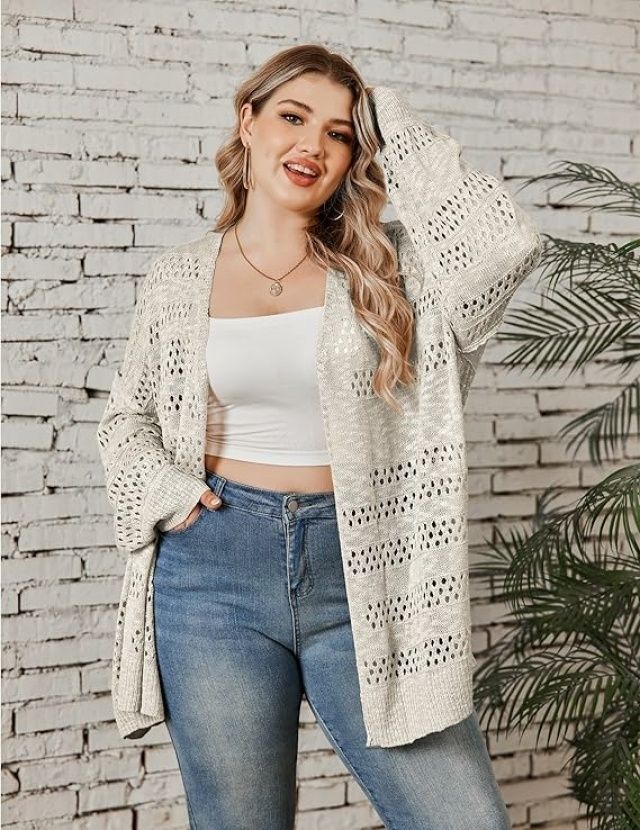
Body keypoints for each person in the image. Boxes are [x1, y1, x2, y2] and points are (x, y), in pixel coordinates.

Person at [97, 43, 542, 829]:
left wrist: (387, 116)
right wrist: (175, 498)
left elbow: (504, 250)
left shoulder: (396, 268)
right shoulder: (177, 276)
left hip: (367, 568)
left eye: (338, 133)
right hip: (213, 576)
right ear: (249, 121)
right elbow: (125, 419)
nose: (311, 146)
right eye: (293, 118)